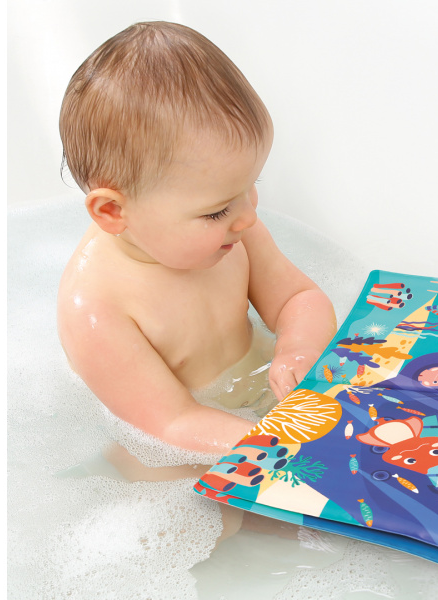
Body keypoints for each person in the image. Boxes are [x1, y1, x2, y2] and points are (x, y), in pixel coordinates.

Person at [57, 21, 337, 456]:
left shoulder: (234, 231)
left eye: (250, 186)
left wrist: (298, 350)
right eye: (217, 210)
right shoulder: (98, 308)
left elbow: (298, 298)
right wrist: (274, 444)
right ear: (113, 212)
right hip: (174, 443)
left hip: (254, 396)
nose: (248, 217)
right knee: (176, 492)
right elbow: (172, 421)